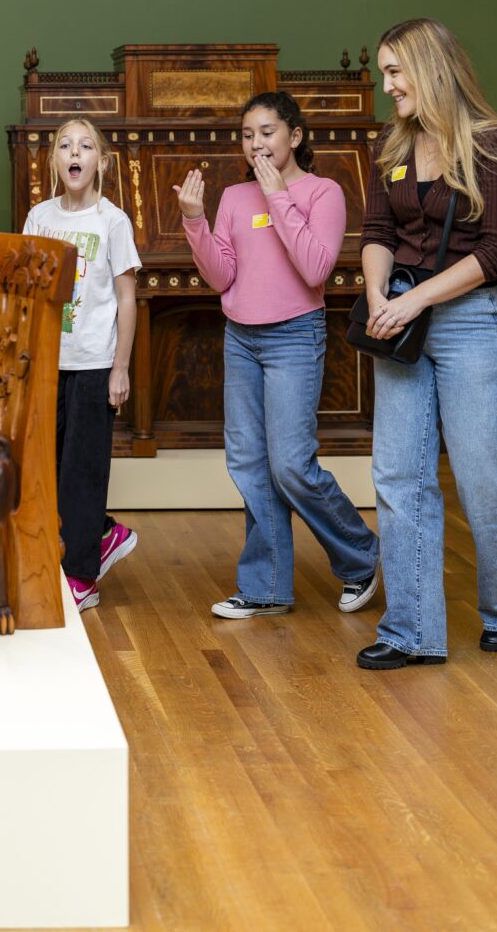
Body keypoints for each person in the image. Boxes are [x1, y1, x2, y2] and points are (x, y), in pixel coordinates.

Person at [357, 18, 497, 670]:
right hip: (399, 321)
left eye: (394, 72)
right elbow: (377, 231)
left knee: (482, 474)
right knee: (398, 475)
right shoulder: (392, 143)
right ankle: (410, 632)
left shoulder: (491, 144)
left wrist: (415, 300)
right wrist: (379, 296)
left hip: (468, 323)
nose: (388, 86)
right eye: (384, 73)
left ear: (429, 68)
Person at [173, 91, 380, 619]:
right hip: (240, 337)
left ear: (296, 135)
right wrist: (195, 221)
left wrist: (278, 197)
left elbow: (315, 269)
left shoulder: (323, 192)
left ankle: (362, 555)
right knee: (248, 462)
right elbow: (221, 276)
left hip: (294, 336)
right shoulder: (234, 197)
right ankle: (265, 586)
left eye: (267, 132)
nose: (256, 144)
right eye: (247, 135)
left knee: (290, 464)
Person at [23, 118, 141, 611]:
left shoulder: (112, 221)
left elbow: (127, 298)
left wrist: (120, 368)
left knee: (83, 470)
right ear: (54, 160)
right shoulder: (39, 217)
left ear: (101, 162)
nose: (75, 153)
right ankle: (104, 531)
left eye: (86, 146)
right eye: (65, 146)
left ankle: (81, 576)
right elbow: (28, 292)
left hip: (94, 364)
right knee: (45, 468)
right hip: (48, 362)